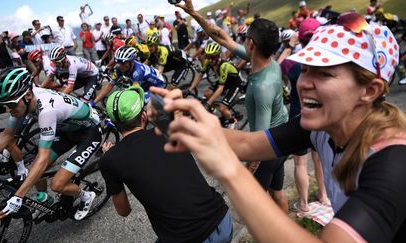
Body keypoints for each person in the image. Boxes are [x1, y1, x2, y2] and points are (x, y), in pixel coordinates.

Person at [151, 9, 405, 242]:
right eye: (305, 69)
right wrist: (185, 121)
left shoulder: (395, 164)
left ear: (369, 91)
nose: (303, 83)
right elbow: (248, 143)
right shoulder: (320, 128)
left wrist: (230, 171)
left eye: (324, 73)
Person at [175, 0, 289, 211]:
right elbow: (221, 36)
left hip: (270, 149)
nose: (242, 39)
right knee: (277, 191)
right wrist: (193, 13)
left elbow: (258, 144)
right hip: (282, 138)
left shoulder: (261, 87)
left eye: (246, 37)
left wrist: (244, 174)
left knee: (258, 205)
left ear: (252, 44)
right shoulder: (264, 59)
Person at [99, 86, 232, 242]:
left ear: (114, 124)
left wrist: (109, 157)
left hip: (186, 237)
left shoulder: (110, 160)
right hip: (222, 219)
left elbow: (124, 211)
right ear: (143, 117)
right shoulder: (169, 130)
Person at [0, 67, 101, 220]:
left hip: (88, 133)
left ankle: (86, 196)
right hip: (66, 130)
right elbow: (7, 135)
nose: (8, 110)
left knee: (57, 184)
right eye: (3, 104)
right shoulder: (21, 102)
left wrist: (18, 196)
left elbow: (43, 157)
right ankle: (45, 200)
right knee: (35, 171)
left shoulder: (46, 110)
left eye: (10, 104)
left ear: (28, 95)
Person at [278, 18, 328, 212]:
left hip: (300, 117)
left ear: (299, 38)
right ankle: (323, 196)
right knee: (319, 159)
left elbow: (275, 69)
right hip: (322, 117)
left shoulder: (294, 62)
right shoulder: (328, 60)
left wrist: (290, 47)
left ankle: (304, 204)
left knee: (300, 162)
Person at [186, 42, 240, 129]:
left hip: (235, 83)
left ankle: (232, 121)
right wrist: (190, 89)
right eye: (208, 56)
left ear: (217, 56)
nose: (210, 59)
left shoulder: (224, 66)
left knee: (223, 109)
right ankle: (214, 114)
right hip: (225, 81)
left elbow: (220, 88)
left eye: (212, 57)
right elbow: (200, 75)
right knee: (207, 94)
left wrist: (209, 103)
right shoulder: (208, 62)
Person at [93, 46, 165, 104]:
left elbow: (134, 93)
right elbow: (109, 85)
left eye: (123, 63)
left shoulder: (138, 72)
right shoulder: (119, 68)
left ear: (131, 62)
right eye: (119, 62)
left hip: (158, 85)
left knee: (139, 103)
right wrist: (94, 102)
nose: (120, 65)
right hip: (144, 84)